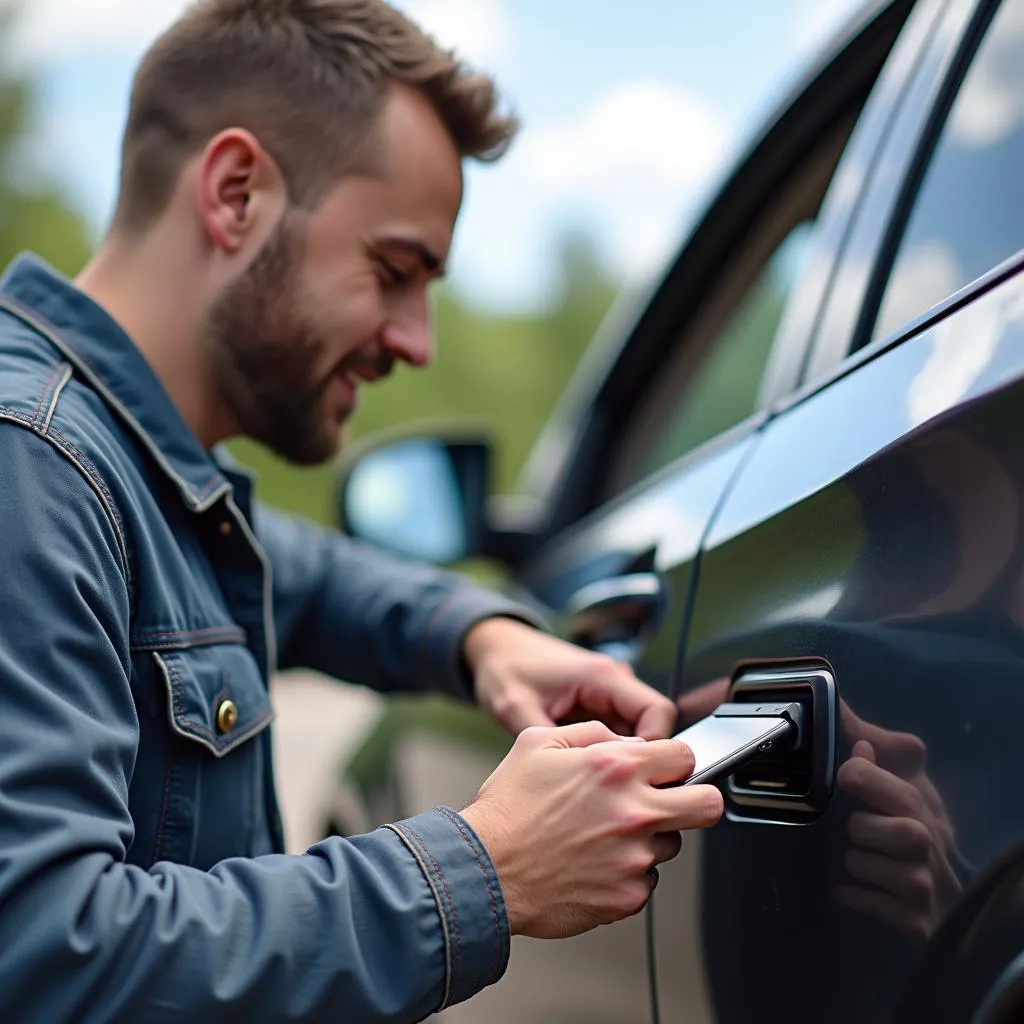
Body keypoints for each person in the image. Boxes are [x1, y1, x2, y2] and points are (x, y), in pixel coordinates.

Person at [0, 1, 725, 1020]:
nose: (416, 341)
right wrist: (487, 868)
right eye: (393, 272)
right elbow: (43, 957)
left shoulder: (139, 478)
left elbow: (296, 569)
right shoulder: (31, 463)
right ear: (236, 192)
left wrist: (482, 637)